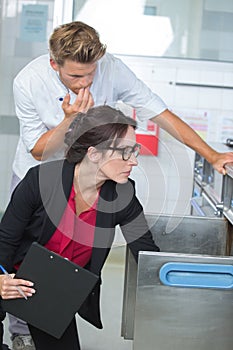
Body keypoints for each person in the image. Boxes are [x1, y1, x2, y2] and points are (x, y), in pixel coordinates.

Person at [10, 20, 233, 348]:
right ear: (53, 63)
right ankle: (20, 333)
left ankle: (53, 316)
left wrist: (212, 154)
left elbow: (160, 112)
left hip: (90, 176)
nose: (85, 82)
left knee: (66, 262)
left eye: (91, 74)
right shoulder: (28, 82)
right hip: (40, 173)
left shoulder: (113, 70)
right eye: (75, 76)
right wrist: (70, 119)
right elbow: (40, 151)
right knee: (25, 253)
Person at [0, 106, 160, 350]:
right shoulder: (40, 181)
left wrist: (179, 284)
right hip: (13, 279)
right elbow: (5, 240)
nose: (135, 161)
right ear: (94, 154)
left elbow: (146, 251)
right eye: (126, 152)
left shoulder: (122, 195)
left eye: (134, 151)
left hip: (54, 292)